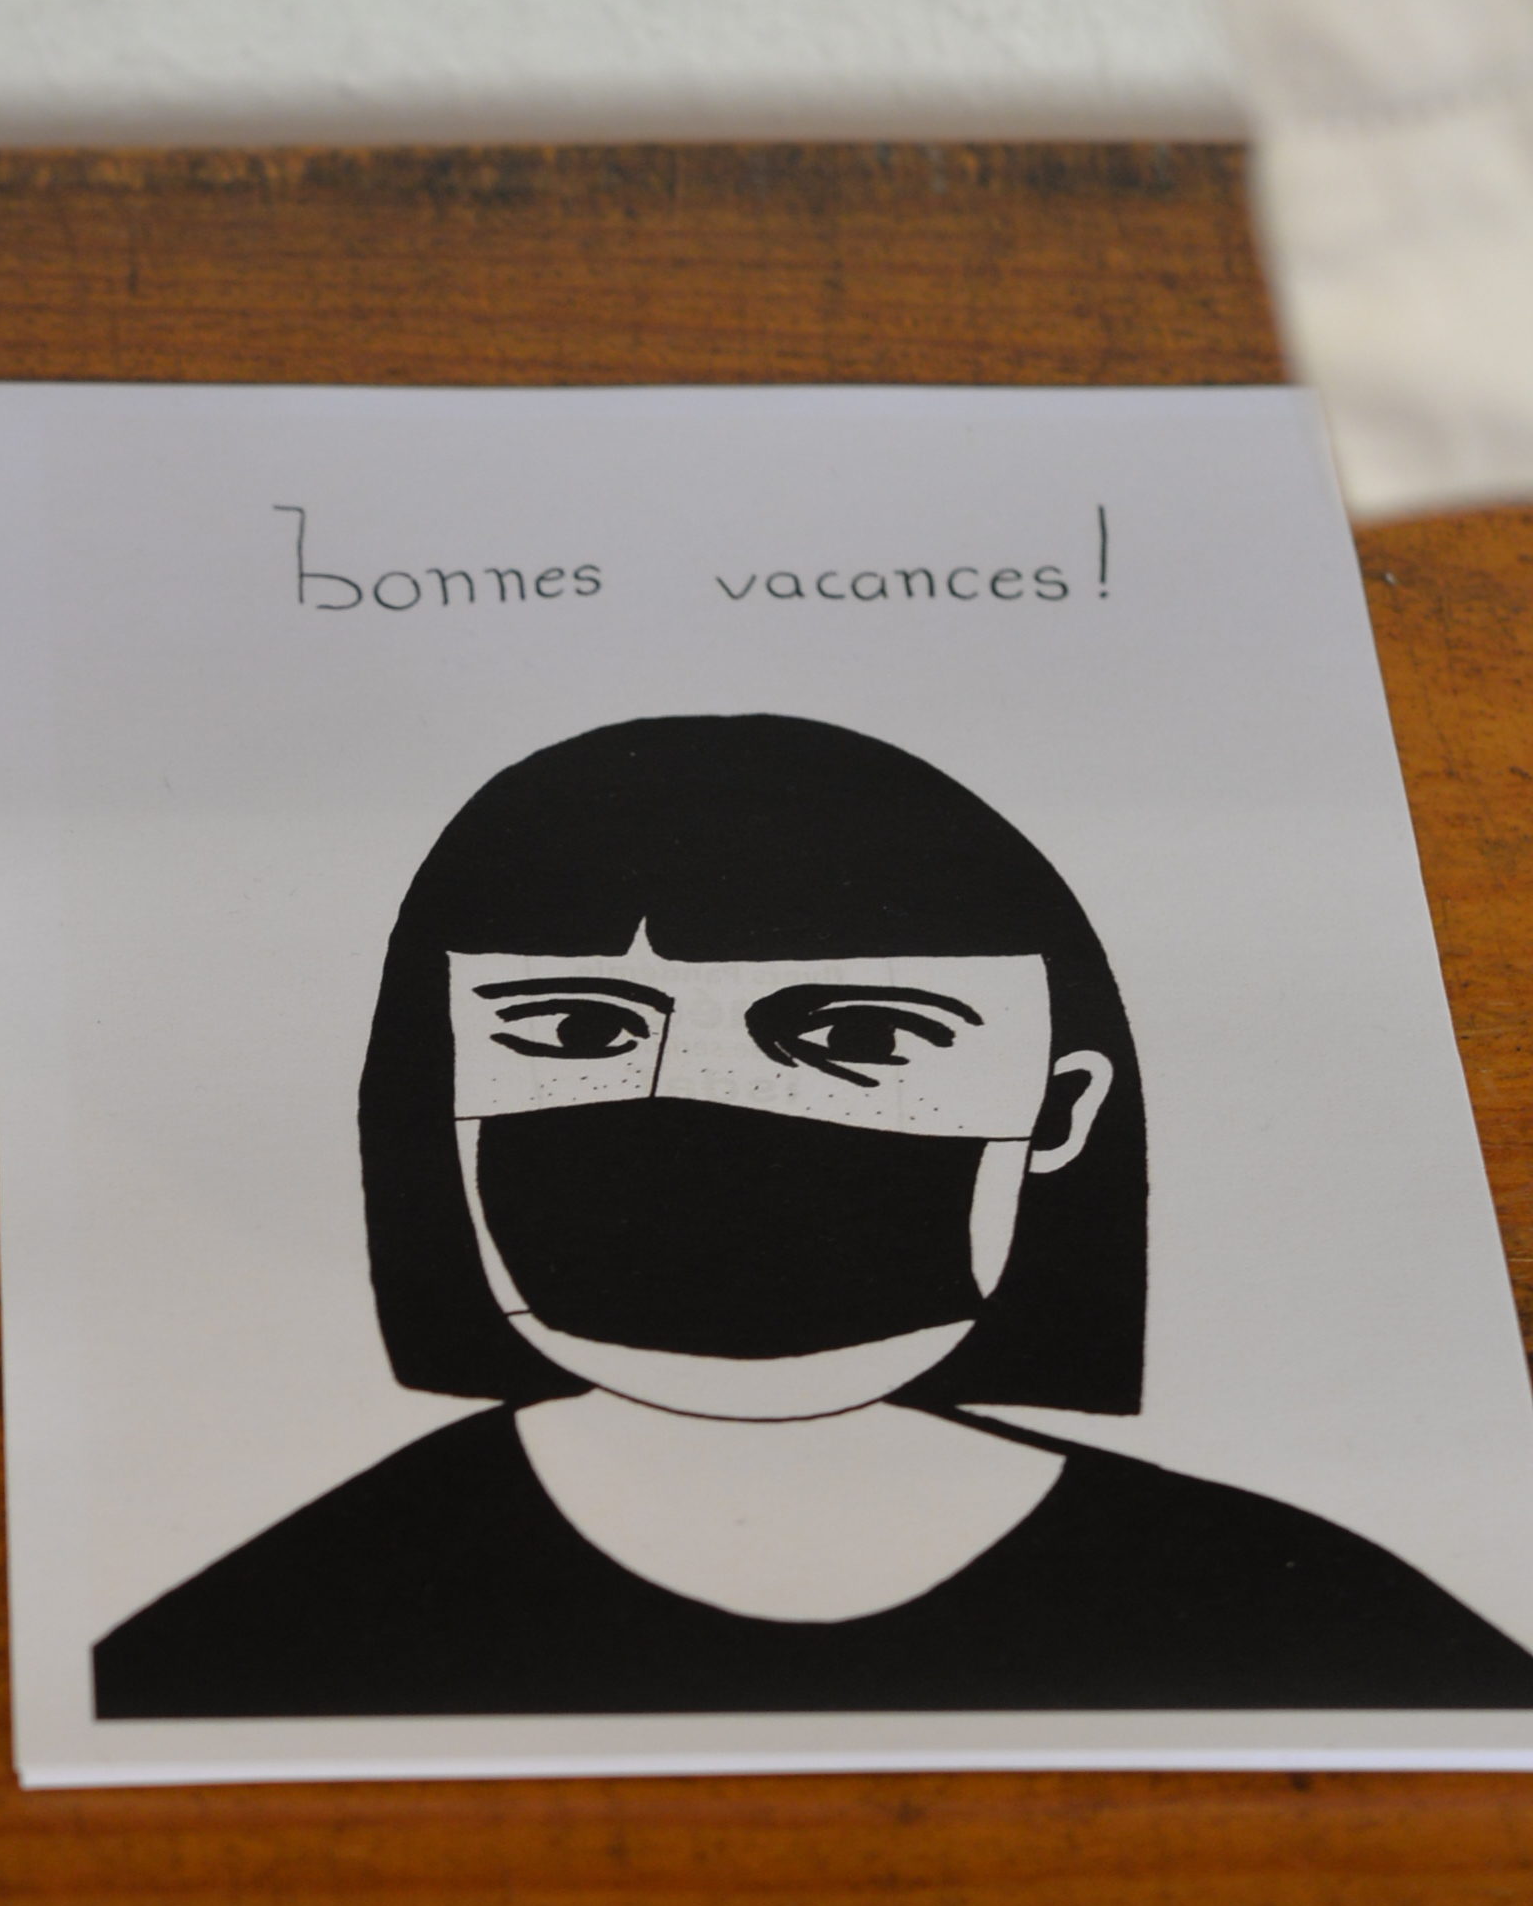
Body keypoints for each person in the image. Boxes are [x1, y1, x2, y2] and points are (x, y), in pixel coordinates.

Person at [92, 709, 1533, 1715]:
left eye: (864, 1036)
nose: (703, 1123)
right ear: (440, 1087)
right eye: (581, 1029)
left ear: (1059, 1111)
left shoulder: (1336, 1628)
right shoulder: (241, 1644)